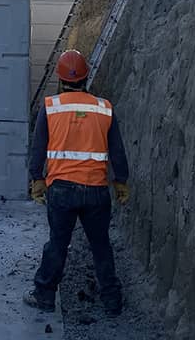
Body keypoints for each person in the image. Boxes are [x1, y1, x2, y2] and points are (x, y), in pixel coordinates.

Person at [23, 49, 130, 317]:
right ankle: (112, 302)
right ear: (86, 77)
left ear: (61, 79)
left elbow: (38, 148)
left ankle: (44, 295)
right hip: (96, 191)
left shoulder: (51, 107)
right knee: (101, 246)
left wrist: (37, 179)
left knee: (57, 244)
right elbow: (117, 151)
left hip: (61, 191)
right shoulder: (104, 108)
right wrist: (120, 181)